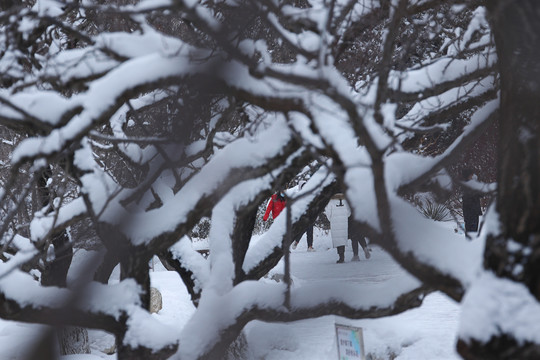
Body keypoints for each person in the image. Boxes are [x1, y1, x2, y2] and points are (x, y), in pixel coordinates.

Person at [325, 193, 350, 263]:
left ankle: (341, 256)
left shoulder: (331, 201)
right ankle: (342, 255)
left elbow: (328, 212)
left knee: (338, 239)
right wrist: (344, 217)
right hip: (344, 222)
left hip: (335, 222)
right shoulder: (346, 201)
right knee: (342, 238)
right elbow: (349, 212)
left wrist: (331, 219)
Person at [292, 181, 315, 252]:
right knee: (303, 230)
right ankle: (296, 241)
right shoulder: (298, 195)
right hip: (302, 217)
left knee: (310, 231)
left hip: (310, 215)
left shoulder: (310, 194)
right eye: (303, 186)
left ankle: (310, 246)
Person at [461, 168, 482, 236]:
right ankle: (470, 245)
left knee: (473, 231)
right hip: (470, 213)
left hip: (473, 212)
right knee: (471, 231)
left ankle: (471, 244)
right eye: (471, 175)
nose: (473, 176)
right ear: (468, 175)